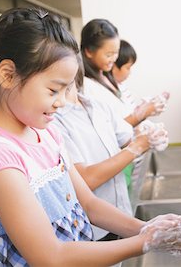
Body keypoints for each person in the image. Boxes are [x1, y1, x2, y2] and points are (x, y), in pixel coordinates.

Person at [0, 7, 181, 266]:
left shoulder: (46, 133)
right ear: (8, 75)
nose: (62, 102)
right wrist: (143, 242)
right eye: (54, 90)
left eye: (67, 90)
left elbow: (87, 203)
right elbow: (50, 257)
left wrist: (144, 228)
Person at [52, 64, 168, 241]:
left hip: (120, 212)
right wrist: (137, 147)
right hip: (94, 228)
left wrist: (147, 133)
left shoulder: (97, 106)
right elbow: (85, 179)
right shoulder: (54, 121)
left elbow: (126, 137)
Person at [80, 19, 168, 127]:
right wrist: (141, 114)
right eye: (108, 55)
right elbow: (109, 130)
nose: (114, 59)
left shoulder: (106, 76)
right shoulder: (87, 87)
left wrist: (145, 109)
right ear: (89, 51)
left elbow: (121, 115)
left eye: (116, 52)